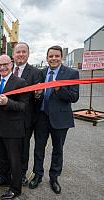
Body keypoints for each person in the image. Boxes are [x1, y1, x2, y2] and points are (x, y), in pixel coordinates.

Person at [29, 45, 79, 194]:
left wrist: (59, 88)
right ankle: (37, 175)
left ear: (61, 57)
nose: (54, 59)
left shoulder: (71, 73)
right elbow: (36, 97)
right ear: (47, 58)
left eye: (56, 56)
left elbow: (74, 97)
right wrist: (37, 94)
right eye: (51, 56)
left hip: (60, 119)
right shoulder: (41, 73)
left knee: (57, 150)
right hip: (42, 117)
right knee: (39, 149)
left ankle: (54, 177)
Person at [0, 54, 29, 199]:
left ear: (11, 64)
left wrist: (8, 102)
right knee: (1, 157)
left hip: (14, 129)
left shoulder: (21, 82)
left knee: (14, 160)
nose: (2, 68)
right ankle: (4, 178)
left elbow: (23, 106)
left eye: (5, 64)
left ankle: (15, 188)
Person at [12, 42, 43, 185]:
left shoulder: (36, 73)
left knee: (23, 148)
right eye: (18, 52)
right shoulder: (7, 69)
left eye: (24, 52)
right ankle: (7, 172)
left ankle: (22, 173)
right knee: (8, 146)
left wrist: (37, 95)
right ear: (13, 54)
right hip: (8, 117)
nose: (21, 54)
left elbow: (39, 99)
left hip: (25, 118)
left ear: (28, 54)